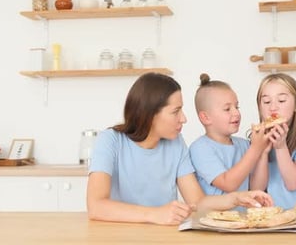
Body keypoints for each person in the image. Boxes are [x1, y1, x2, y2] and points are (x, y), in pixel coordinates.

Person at [87, 72, 273, 225]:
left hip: (162, 236)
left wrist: (236, 199)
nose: (183, 118)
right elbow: (96, 206)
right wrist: (154, 214)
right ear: (150, 114)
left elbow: (197, 202)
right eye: (176, 111)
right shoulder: (110, 141)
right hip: (116, 235)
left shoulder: (175, 143)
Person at [190, 73, 272, 195]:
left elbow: (256, 188)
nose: (236, 113)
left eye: (237, 107)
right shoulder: (200, 148)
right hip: (211, 215)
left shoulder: (244, 145)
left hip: (243, 215)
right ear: (205, 117)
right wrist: (255, 149)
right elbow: (227, 184)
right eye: (227, 109)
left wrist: (263, 152)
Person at [250, 73, 296, 210]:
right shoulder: (257, 136)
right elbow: (256, 190)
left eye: (281, 100)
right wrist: (262, 152)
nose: (273, 107)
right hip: (267, 216)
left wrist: (280, 147)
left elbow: (293, 183)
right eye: (266, 102)